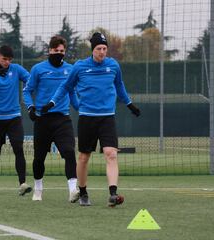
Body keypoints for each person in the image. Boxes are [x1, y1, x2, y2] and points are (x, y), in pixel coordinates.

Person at [42, 32, 141, 207]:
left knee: (111, 153)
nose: (102, 52)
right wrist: (52, 102)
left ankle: (112, 193)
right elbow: (65, 87)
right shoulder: (79, 67)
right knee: (83, 157)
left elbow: (120, 86)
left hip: (107, 118)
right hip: (87, 118)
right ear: (92, 50)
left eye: (104, 48)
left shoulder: (113, 66)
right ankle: (83, 192)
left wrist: (129, 104)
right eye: (98, 49)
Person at [23, 36, 80, 202]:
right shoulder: (38, 69)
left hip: (63, 119)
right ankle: (38, 189)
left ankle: (72, 191)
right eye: (56, 51)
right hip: (42, 120)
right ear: (49, 51)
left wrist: (81, 110)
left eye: (62, 51)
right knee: (39, 158)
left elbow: (72, 93)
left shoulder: (70, 70)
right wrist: (30, 107)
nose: (59, 54)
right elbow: (27, 91)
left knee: (69, 152)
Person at [0, 45, 32, 196]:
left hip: (14, 117)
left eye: (9, 60)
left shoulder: (16, 69)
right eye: (4, 59)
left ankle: (22, 183)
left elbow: (30, 79)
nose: (7, 62)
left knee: (18, 149)